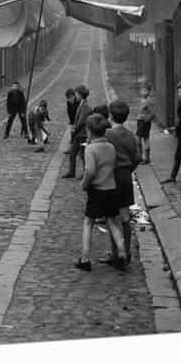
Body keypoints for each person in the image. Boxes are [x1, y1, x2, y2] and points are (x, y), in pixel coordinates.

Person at [74, 114, 128, 272]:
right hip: (111, 189)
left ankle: (85, 259)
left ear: (89, 131)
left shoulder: (91, 148)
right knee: (111, 222)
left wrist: (84, 185)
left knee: (88, 222)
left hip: (97, 191)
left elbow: (90, 171)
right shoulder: (110, 147)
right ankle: (122, 254)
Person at [100, 100, 142, 266]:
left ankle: (116, 252)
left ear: (110, 115)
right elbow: (137, 157)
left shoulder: (108, 134)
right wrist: (129, 169)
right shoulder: (130, 134)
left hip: (113, 175)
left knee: (110, 215)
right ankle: (127, 250)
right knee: (125, 215)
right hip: (126, 175)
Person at [161, 80, 181, 184]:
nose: (178, 93)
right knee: (178, 155)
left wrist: (177, 131)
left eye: (179, 91)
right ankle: (174, 176)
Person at [62, 85, 92, 178]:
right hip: (77, 134)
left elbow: (82, 120)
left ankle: (85, 173)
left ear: (80, 95)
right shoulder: (81, 104)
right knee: (72, 153)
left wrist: (75, 128)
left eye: (76, 94)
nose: (76, 96)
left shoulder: (85, 106)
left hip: (82, 134)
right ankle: (71, 172)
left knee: (83, 155)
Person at [136, 81, 155, 164]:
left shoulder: (149, 101)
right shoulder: (142, 99)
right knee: (140, 140)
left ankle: (145, 158)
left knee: (140, 139)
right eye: (142, 90)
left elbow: (152, 113)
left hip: (144, 122)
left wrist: (145, 120)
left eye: (145, 90)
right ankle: (141, 157)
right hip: (140, 121)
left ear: (149, 91)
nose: (143, 92)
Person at [64, 88, 79, 154]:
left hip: (79, 121)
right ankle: (71, 148)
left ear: (74, 96)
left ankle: (74, 149)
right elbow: (70, 113)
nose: (69, 99)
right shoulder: (68, 103)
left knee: (76, 135)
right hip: (73, 121)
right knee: (73, 134)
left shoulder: (78, 103)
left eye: (70, 97)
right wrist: (72, 122)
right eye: (68, 98)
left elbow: (79, 113)